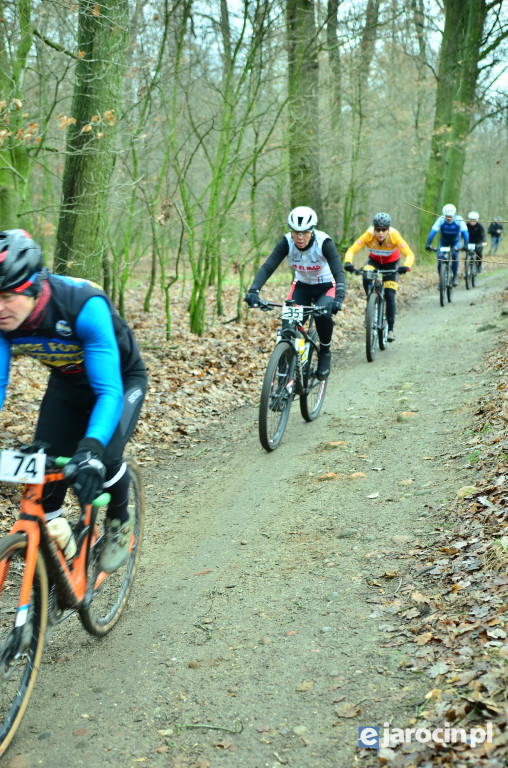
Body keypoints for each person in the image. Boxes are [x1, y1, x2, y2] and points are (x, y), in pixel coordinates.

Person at [0, 229, 147, 573]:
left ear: (33, 287)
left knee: (105, 457)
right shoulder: (4, 321)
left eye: (7, 296)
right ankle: (60, 563)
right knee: (44, 477)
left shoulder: (82, 305)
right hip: (66, 385)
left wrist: (90, 450)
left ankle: (119, 520)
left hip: (119, 382)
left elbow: (108, 392)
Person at [244, 206, 346, 380]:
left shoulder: (324, 242)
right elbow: (268, 267)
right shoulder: (287, 242)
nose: (299, 237)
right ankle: (284, 378)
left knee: (322, 315)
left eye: (304, 232)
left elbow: (338, 272)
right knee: (287, 329)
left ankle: (325, 351)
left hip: (326, 286)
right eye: (295, 232)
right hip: (302, 287)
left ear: (312, 231)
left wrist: (339, 298)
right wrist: (254, 290)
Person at [343, 212, 414, 343]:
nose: (380, 233)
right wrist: (348, 262)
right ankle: (371, 300)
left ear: (388, 229)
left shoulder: (394, 235)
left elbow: (409, 253)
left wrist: (406, 266)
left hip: (392, 264)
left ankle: (390, 329)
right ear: (374, 229)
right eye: (377, 229)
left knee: (390, 294)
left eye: (384, 230)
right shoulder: (368, 235)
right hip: (374, 262)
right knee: (366, 275)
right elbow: (352, 249)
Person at [425, 204, 468, 286]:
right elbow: (433, 231)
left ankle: (454, 277)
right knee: (440, 259)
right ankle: (441, 280)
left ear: (453, 215)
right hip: (444, 241)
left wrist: (466, 244)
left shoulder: (458, 219)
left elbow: (465, 232)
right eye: (447, 217)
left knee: (455, 255)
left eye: (450, 216)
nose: (448, 218)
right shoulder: (441, 219)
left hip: (456, 241)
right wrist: (428, 243)